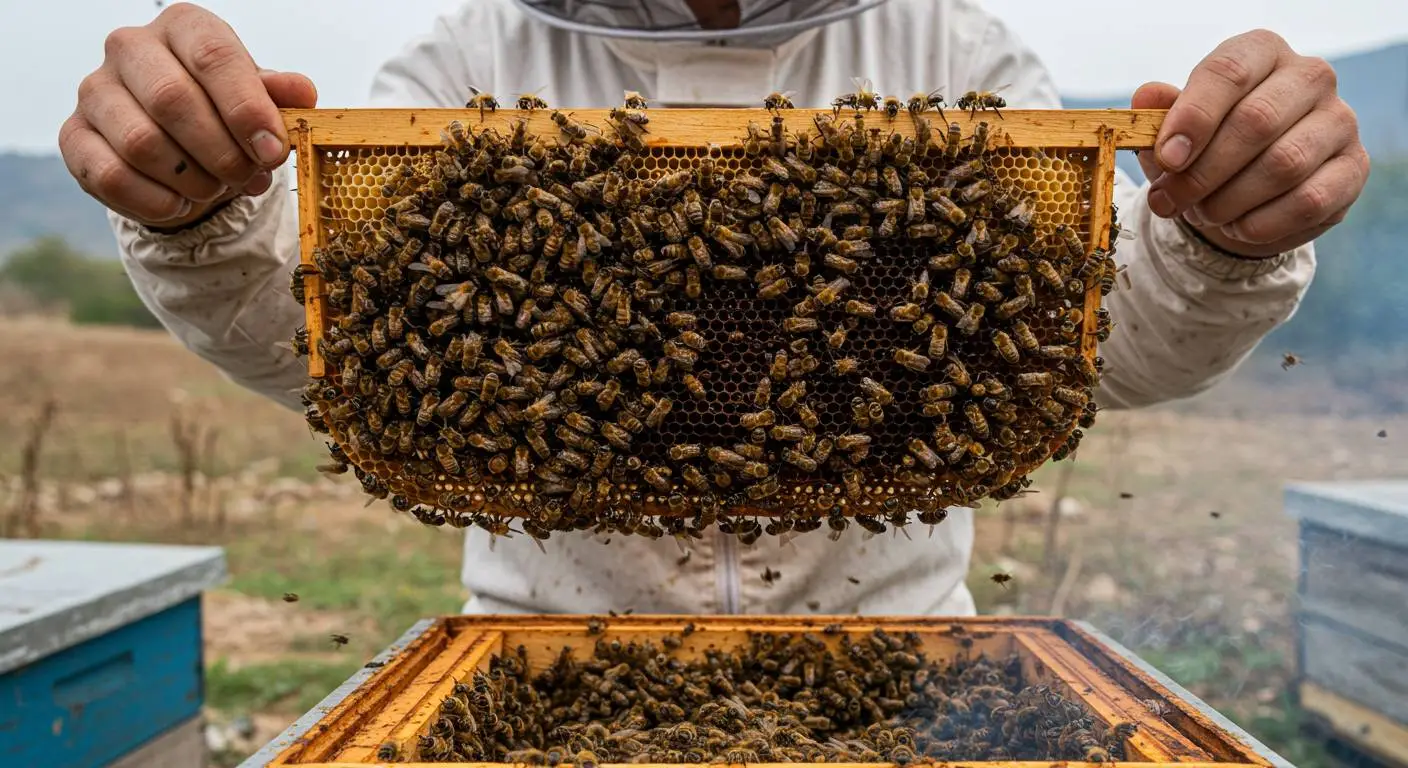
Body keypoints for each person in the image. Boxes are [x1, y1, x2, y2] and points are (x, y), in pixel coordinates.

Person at [61, 0, 1366, 615]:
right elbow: (334, 341)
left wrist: (1218, 236)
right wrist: (198, 211)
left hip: (899, 654)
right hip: (546, 661)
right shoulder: (468, 62)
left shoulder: (952, 54)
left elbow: (1094, 338)